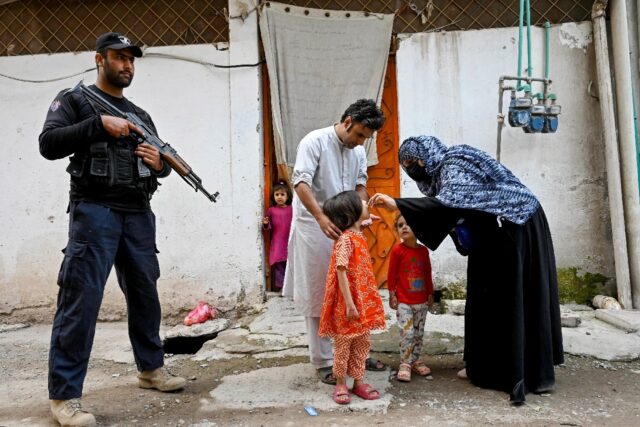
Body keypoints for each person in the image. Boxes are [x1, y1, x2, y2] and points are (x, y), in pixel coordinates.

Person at [39, 32, 186, 426]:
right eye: (119, 58)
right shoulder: (75, 100)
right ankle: (65, 397)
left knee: (145, 294)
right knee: (81, 301)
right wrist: (97, 125)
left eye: (131, 60)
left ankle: (151, 369)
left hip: (137, 213)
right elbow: (49, 143)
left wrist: (159, 164)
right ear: (99, 59)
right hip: (94, 212)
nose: (127, 65)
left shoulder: (141, 114)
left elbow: (159, 169)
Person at [369, 135, 563, 404]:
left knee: (508, 297)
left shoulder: (455, 162)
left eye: (415, 161)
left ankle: (523, 372)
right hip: (494, 231)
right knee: (484, 296)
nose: (415, 167)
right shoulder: (443, 174)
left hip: (517, 224)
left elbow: (450, 205)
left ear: (427, 155)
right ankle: (482, 366)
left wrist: (399, 204)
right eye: (408, 165)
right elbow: (456, 211)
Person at [282, 99, 386, 385]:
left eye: (367, 138)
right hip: (314, 227)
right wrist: (320, 217)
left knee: (355, 288)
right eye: (360, 135)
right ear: (349, 121)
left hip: (349, 229)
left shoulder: (358, 152)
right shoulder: (314, 141)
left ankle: (357, 354)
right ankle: (324, 361)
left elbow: (360, 186)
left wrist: (361, 213)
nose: (361, 142)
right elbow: (300, 182)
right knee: (321, 292)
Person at [318, 191, 386, 404]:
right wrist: (349, 303)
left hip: (362, 302)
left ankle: (358, 382)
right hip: (348, 304)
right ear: (352, 213)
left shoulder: (355, 235)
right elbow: (340, 271)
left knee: (362, 343)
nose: (367, 203)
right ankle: (340, 384)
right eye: (363, 203)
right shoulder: (345, 241)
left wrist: (364, 222)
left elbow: (356, 231)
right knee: (344, 344)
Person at [387, 213, 434, 382]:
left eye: (408, 223)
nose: (404, 227)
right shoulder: (397, 251)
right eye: (400, 225)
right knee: (407, 332)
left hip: (421, 302)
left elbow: (427, 273)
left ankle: (415, 359)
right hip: (404, 302)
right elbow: (391, 275)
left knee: (418, 333)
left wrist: (430, 293)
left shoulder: (423, 251)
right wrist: (392, 295)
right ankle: (405, 363)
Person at [262, 181, 293, 292]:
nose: (279, 197)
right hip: (278, 242)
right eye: (277, 194)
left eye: (282, 194)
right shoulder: (271, 210)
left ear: (287, 196)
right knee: (279, 266)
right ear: (273, 196)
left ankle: (291, 287)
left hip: (290, 241)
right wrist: (266, 223)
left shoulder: (292, 209)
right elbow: (267, 227)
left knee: (290, 265)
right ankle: (282, 288)